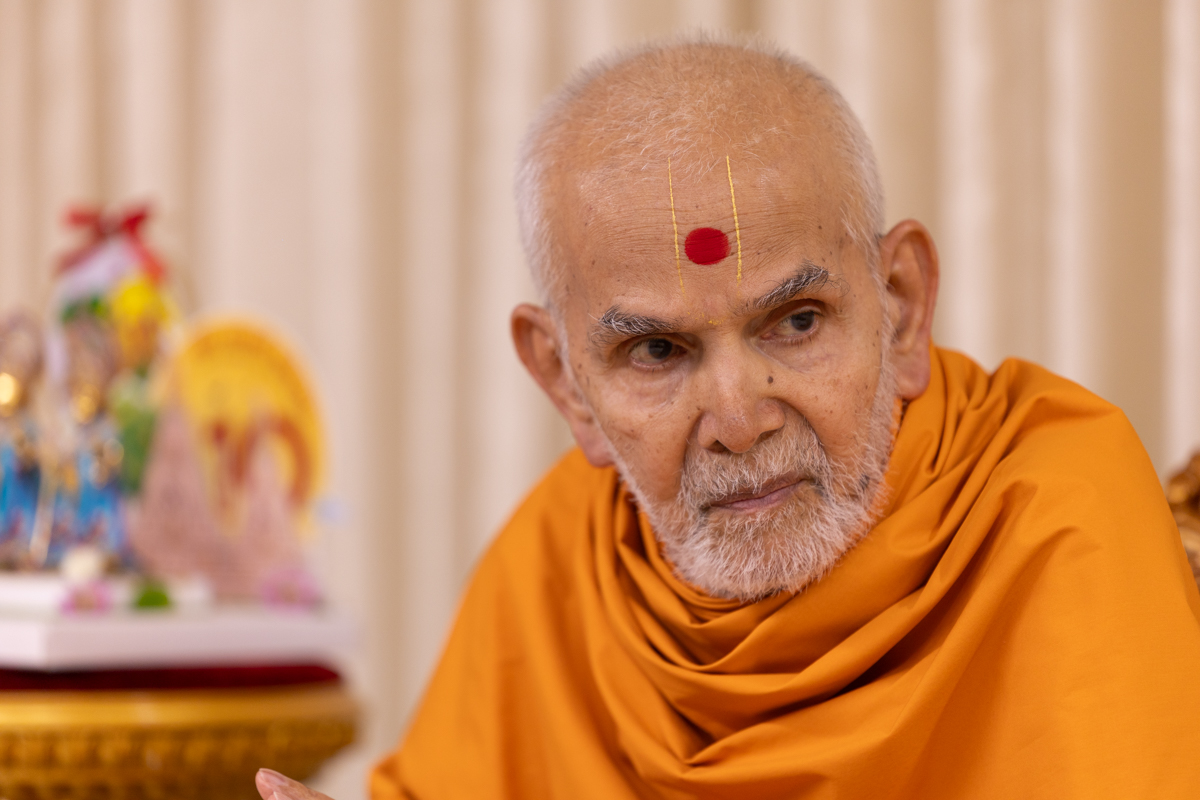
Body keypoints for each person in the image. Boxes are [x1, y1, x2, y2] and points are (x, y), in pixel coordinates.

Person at [257, 36, 1200, 799]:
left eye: (797, 322)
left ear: (903, 307)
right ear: (565, 382)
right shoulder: (560, 563)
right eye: (656, 352)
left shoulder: (1054, 518)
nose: (740, 422)